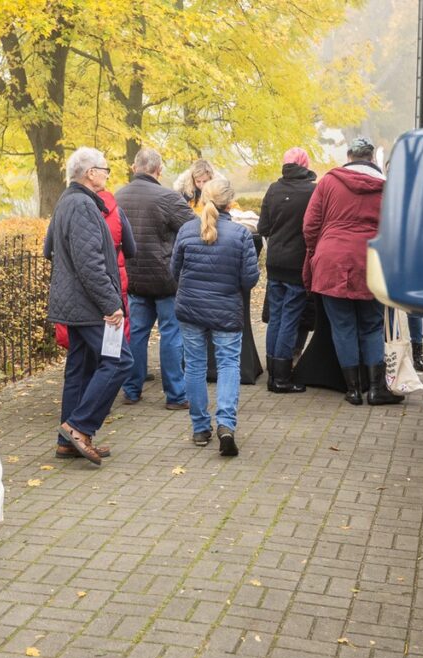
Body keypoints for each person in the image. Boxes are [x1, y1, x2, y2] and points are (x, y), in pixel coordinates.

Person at [45, 147, 134, 465]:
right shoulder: (82, 205)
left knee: (79, 370)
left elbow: (48, 248)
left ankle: (66, 443)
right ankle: (79, 427)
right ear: (89, 173)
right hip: (89, 305)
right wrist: (111, 304)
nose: (108, 174)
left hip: (75, 305)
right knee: (120, 361)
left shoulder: (66, 202)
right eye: (105, 168)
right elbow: (90, 264)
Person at [303, 136, 401, 406]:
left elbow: (310, 225)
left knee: (343, 326)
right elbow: (396, 229)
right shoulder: (387, 187)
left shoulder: (328, 182)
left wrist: (316, 250)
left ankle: (353, 389)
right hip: (371, 260)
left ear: (348, 157)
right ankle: (376, 389)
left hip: (331, 260)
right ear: (371, 159)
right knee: (371, 325)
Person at [171, 176, 260, 455]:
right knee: (228, 365)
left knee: (195, 366)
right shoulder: (241, 234)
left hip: (190, 308)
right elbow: (250, 279)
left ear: (203, 198)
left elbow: (174, 271)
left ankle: (200, 427)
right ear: (230, 202)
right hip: (225, 310)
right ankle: (225, 424)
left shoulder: (186, 230)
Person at [115, 148, 196, 409]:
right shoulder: (168, 197)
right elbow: (192, 227)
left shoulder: (118, 196)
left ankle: (131, 389)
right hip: (165, 279)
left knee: (136, 333)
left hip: (134, 277)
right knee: (171, 333)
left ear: (134, 167)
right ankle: (175, 395)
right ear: (158, 170)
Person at [258, 146, 317, 393]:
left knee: (277, 317)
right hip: (297, 265)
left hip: (275, 263)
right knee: (290, 319)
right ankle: (282, 378)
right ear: (305, 164)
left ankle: (273, 371)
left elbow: (263, 227)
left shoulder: (274, 189)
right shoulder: (312, 191)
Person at [53, 189, 136, 348]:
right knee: (115, 348)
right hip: (114, 280)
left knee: (82, 346)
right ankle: (114, 369)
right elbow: (131, 249)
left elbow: (50, 250)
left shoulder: (68, 208)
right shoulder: (117, 212)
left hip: (77, 285)